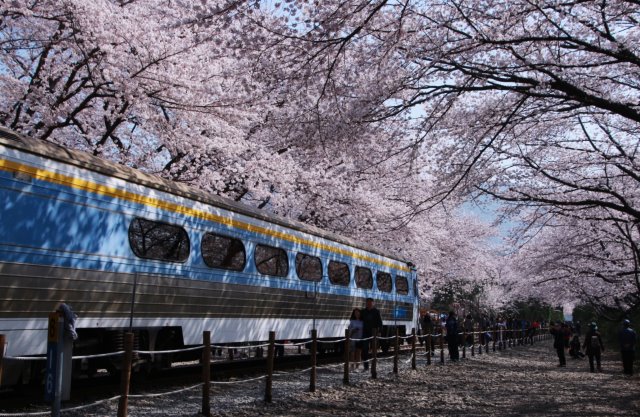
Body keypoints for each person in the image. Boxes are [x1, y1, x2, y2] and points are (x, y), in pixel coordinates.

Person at [360, 297, 383, 371]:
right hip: (365, 333)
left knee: (374, 349)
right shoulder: (363, 312)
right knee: (364, 349)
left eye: (370, 303)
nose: (369, 304)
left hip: (374, 333)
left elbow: (380, 322)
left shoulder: (376, 311)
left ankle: (374, 365)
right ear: (366, 303)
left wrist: (379, 331)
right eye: (367, 303)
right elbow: (359, 320)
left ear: (373, 303)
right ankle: (366, 366)